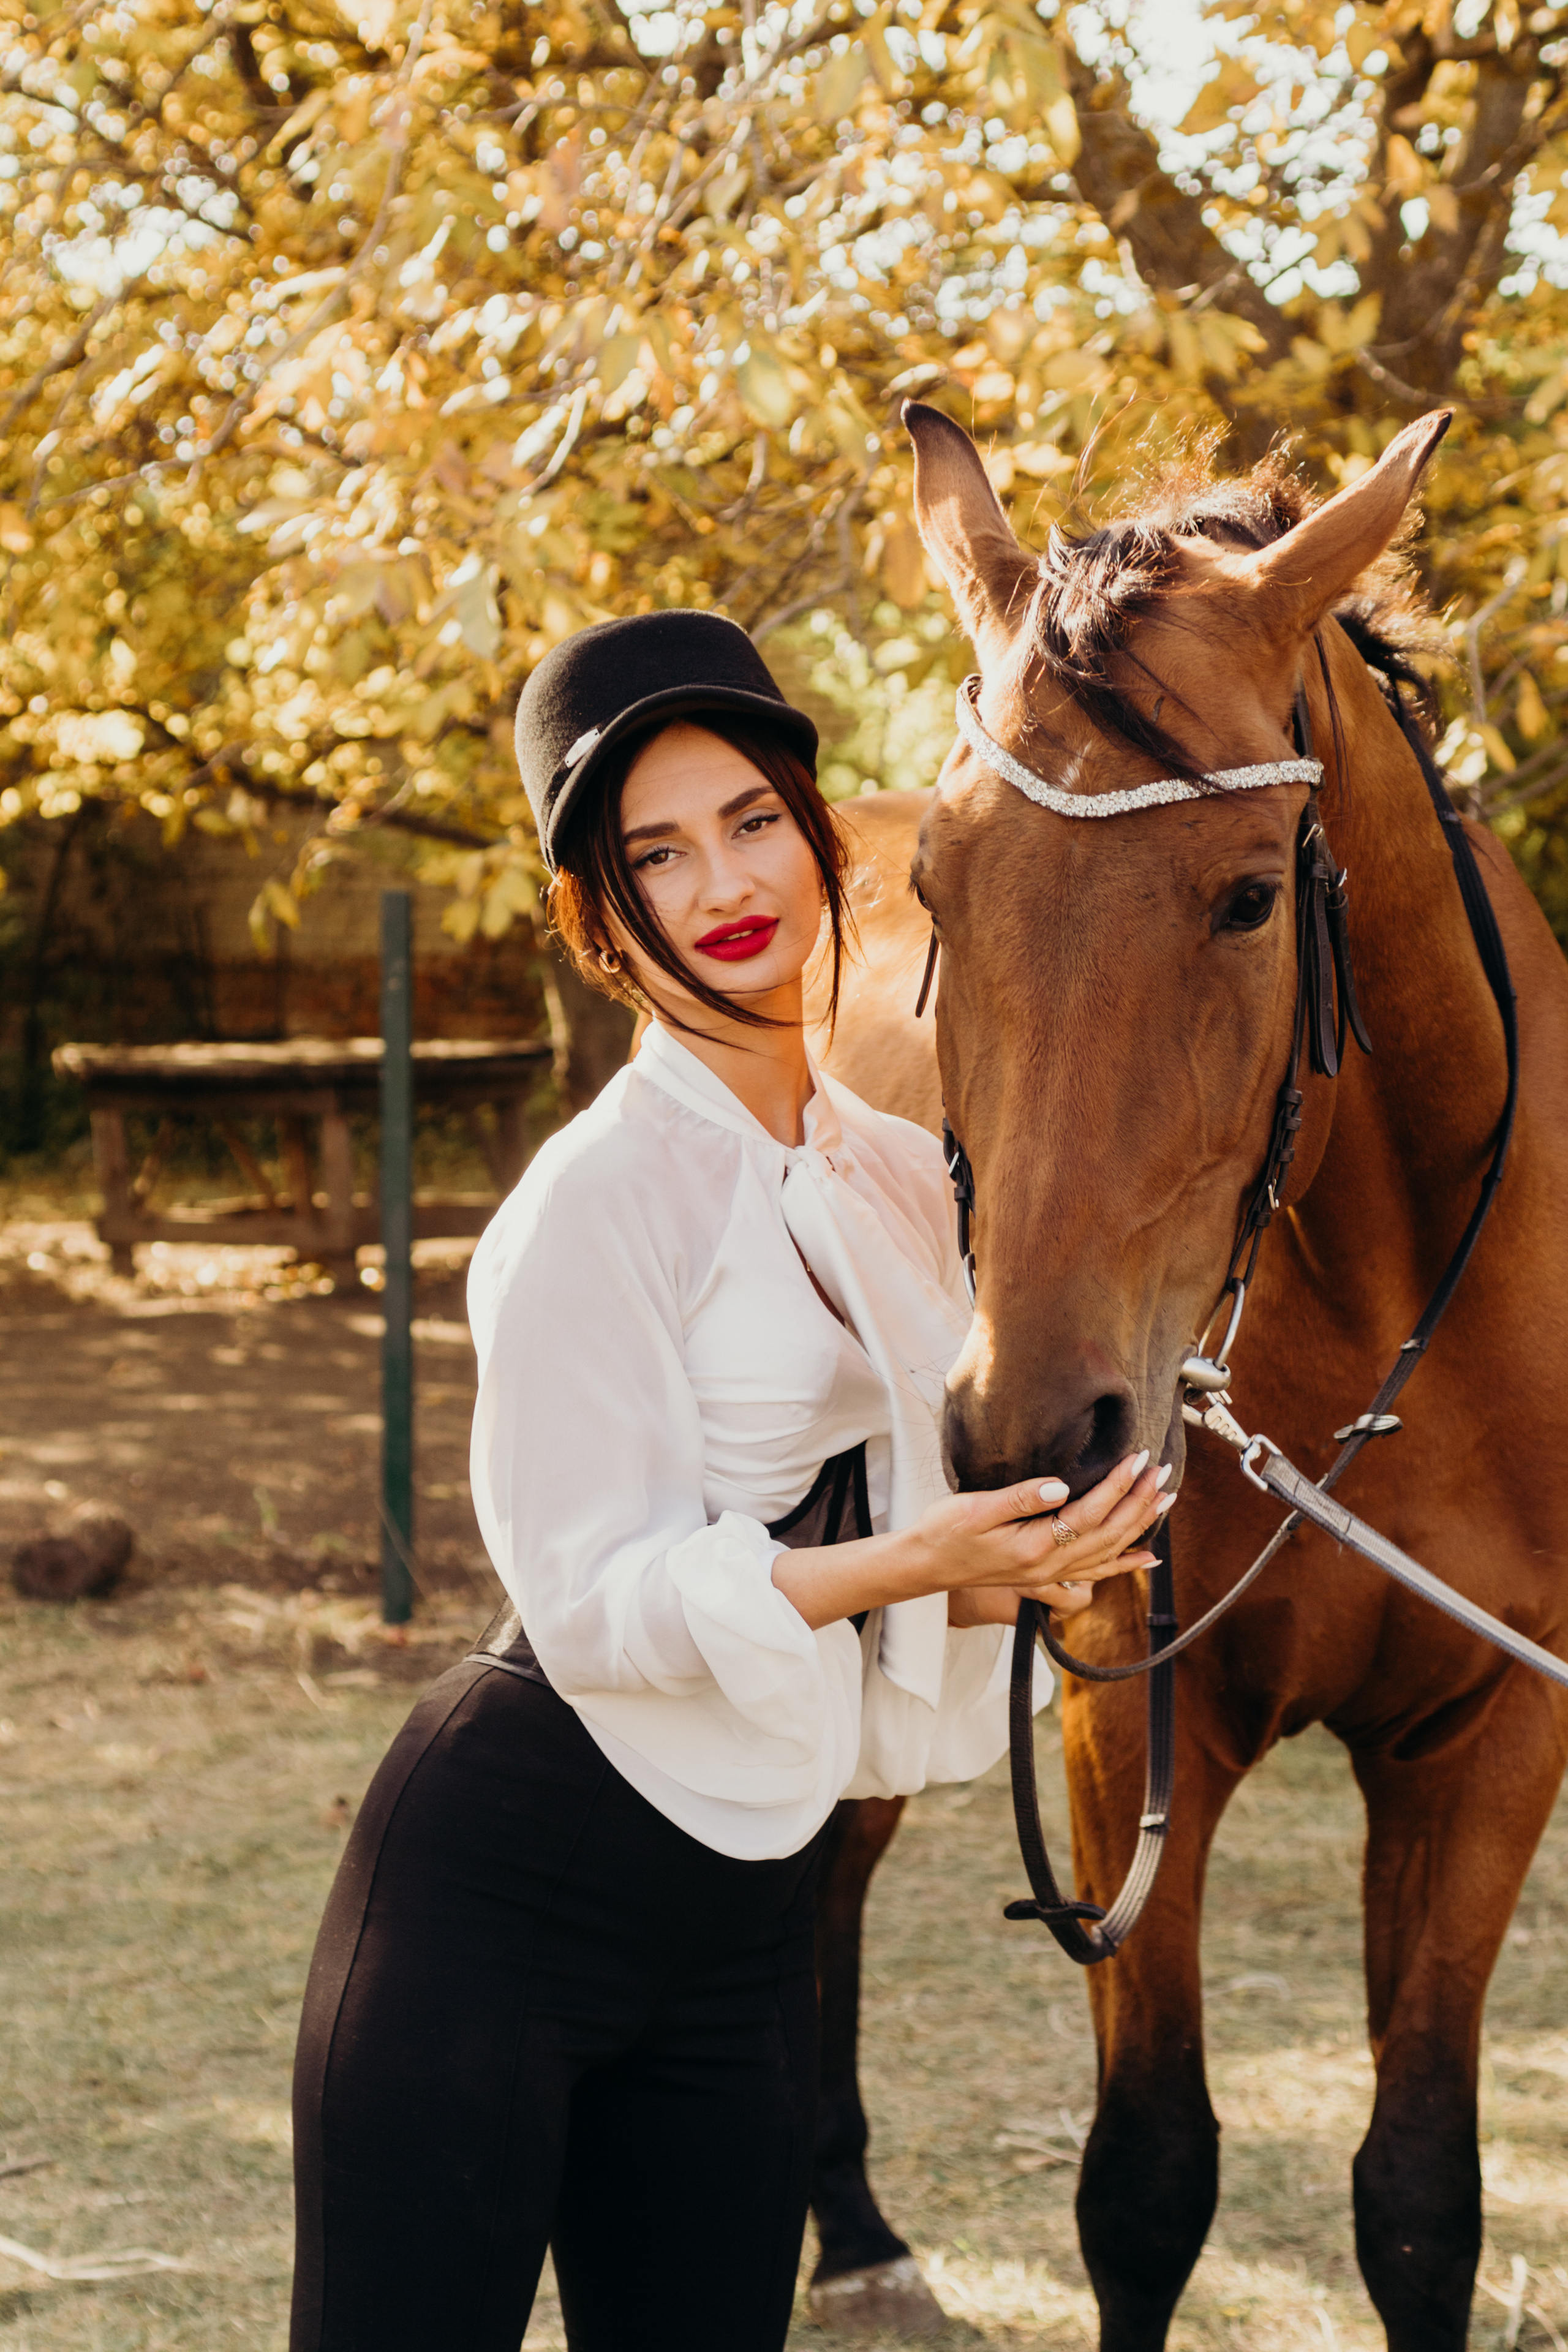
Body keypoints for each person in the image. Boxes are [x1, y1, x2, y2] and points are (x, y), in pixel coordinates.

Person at [288, 609, 1172, 2352]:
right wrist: (918, 1566)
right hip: (505, 1885)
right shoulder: (591, 1202)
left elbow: (883, 1530)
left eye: (753, 821)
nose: (723, 884)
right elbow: (605, 1607)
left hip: (749, 1922)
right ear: (594, 917)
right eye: (656, 855)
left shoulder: (911, 1175)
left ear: (826, 835)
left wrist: (1042, 1567)